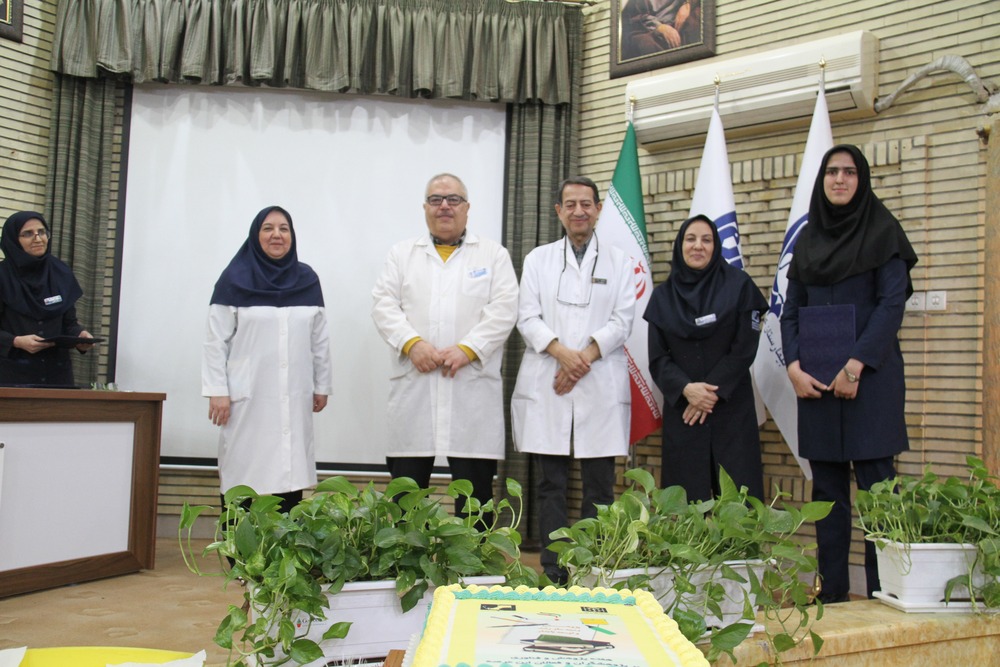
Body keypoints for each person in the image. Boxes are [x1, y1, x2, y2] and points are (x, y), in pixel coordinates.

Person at [781, 145, 918, 603]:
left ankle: (884, 594)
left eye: (850, 172)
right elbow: (791, 310)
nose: (839, 179)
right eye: (832, 172)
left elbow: (891, 305)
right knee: (827, 496)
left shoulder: (884, 231)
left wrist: (855, 365)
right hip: (816, 385)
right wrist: (793, 367)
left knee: (879, 497)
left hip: (870, 382)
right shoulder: (809, 238)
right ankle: (833, 594)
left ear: (863, 180)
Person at [511, 177, 636, 584]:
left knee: (599, 486)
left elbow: (623, 320)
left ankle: (593, 566)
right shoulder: (538, 259)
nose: (579, 211)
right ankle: (554, 568)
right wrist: (563, 355)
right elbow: (527, 317)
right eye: (570, 204)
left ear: (598, 209)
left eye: (586, 204)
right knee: (551, 483)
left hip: (599, 382)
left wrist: (583, 359)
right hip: (550, 379)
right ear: (558, 211)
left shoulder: (620, 261)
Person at [371, 173, 518, 518]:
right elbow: (383, 305)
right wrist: (411, 344)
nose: (445, 206)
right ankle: (405, 553)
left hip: (470, 393)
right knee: (406, 500)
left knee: (475, 502)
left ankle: (473, 557)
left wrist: (468, 349)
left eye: (453, 199)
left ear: (467, 207)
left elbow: (505, 309)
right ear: (425, 208)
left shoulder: (493, 255)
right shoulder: (402, 254)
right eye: (436, 199)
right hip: (415, 391)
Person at [202, 205, 332, 513]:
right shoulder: (234, 279)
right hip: (247, 398)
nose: (277, 235)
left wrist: (322, 385)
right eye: (268, 228)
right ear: (255, 235)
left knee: (289, 472)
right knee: (243, 474)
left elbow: (320, 340)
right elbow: (215, 341)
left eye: (284, 229)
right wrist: (217, 390)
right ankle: (237, 543)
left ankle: (285, 542)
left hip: (294, 394)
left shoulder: (307, 279)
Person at [644, 215, 767, 502]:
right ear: (680, 245)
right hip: (684, 413)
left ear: (716, 246)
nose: (698, 246)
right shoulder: (662, 297)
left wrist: (708, 393)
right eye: (690, 239)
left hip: (731, 411)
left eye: (706, 240)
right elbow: (658, 358)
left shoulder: (739, 286)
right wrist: (687, 389)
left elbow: (745, 347)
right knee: (684, 508)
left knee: (739, 506)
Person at [0, 211, 94, 386]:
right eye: (28, 233)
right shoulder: (2, 276)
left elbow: (69, 324)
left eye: (42, 232)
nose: (38, 238)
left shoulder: (61, 273)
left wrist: (80, 336)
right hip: (12, 376)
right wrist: (16, 341)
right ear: (13, 240)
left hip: (57, 375)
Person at [620, 0, 701, 61]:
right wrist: (659, 27)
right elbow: (636, 16)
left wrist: (687, 3)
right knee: (645, 44)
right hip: (651, 28)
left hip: (681, 21)